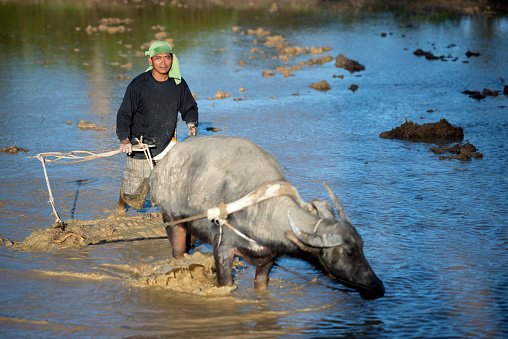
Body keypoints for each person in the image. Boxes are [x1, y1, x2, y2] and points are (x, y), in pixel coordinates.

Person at [115, 41, 198, 213]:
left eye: (167, 58)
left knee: (169, 189)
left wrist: (191, 124)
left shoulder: (178, 84)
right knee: (132, 189)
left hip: (167, 144)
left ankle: (171, 220)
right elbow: (124, 114)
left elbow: (189, 106)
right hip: (140, 145)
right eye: (158, 58)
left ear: (172, 60)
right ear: (150, 61)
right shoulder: (138, 85)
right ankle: (119, 209)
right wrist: (124, 139)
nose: (163, 62)